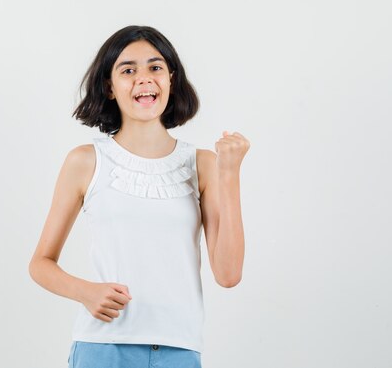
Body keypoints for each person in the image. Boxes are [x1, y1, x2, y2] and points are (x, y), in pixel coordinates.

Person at [28, 25, 249, 368]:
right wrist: (85, 292)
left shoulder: (202, 164)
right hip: (103, 348)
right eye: (128, 70)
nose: (144, 79)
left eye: (155, 67)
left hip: (180, 349)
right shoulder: (86, 161)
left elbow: (228, 274)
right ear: (110, 87)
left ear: (171, 80)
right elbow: (40, 263)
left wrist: (230, 173)